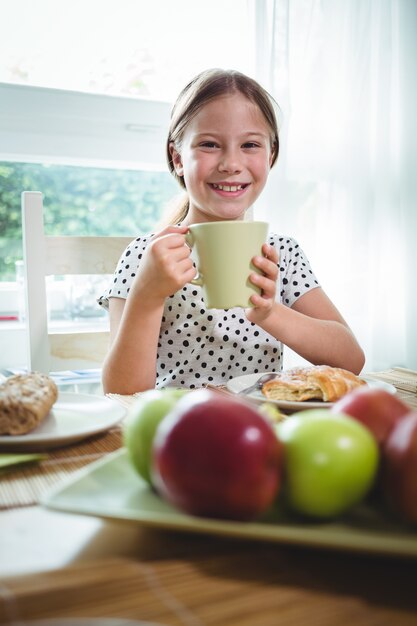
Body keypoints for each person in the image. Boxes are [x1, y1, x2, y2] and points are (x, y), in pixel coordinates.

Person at [99, 68, 365, 395]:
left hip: (262, 431)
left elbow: (351, 359)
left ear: (271, 156)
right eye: (210, 144)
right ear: (177, 157)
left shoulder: (282, 254)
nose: (231, 164)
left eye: (250, 144)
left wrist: (271, 313)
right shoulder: (146, 256)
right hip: (177, 430)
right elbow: (121, 391)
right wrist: (148, 293)